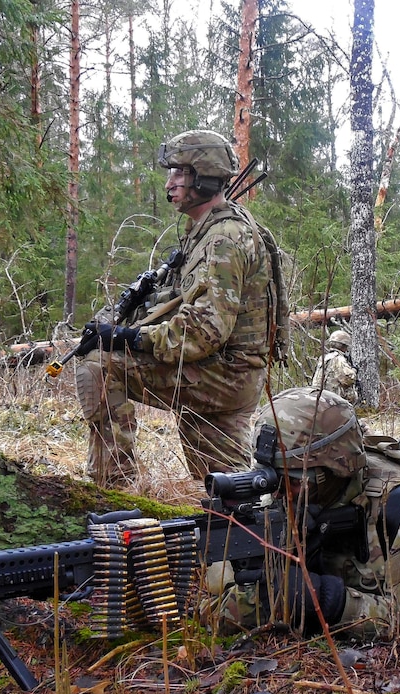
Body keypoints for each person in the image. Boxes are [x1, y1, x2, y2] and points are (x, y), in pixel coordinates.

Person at [208, 387, 400, 638]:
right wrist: (255, 591)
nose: (278, 493)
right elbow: (221, 605)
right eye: (270, 476)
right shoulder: (284, 495)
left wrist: (326, 599)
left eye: (292, 480)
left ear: (336, 467)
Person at [74, 129, 282, 483]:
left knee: (99, 366)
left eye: (179, 173)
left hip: (223, 374)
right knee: (226, 494)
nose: (169, 183)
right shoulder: (210, 229)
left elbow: (204, 330)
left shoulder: (222, 240)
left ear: (204, 177)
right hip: (232, 373)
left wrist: (128, 338)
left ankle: (112, 490)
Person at [310, 329, 359, 404]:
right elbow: (348, 380)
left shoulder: (324, 358)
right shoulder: (338, 359)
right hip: (334, 401)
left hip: (321, 398)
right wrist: (354, 371)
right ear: (343, 346)